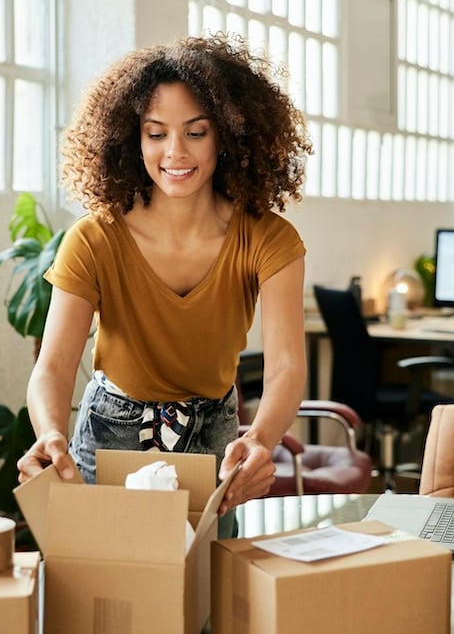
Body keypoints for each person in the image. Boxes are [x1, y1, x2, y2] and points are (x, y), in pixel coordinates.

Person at [16, 33, 311, 538]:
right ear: (133, 139)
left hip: (214, 437)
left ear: (228, 135)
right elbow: (55, 365)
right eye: (156, 134)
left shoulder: (268, 238)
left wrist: (260, 437)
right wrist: (49, 434)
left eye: (196, 132)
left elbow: (286, 365)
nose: (175, 152)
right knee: (107, 596)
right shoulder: (94, 238)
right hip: (109, 435)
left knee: (205, 600)